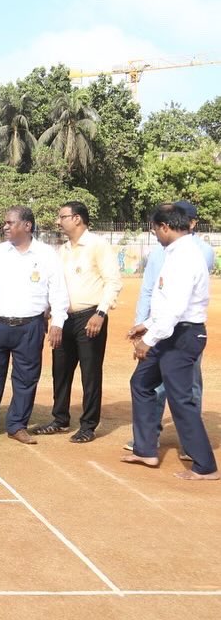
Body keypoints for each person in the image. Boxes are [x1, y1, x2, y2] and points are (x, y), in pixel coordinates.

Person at [122, 204, 217, 481]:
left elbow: (176, 309)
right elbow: (167, 305)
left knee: (180, 400)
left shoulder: (186, 256)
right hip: (169, 331)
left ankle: (205, 466)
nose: (155, 234)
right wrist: (146, 324)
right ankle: (145, 449)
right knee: (140, 383)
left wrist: (147, 341)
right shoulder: (174, 254)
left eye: (154, 229)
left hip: (182, 336)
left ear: (165, 227)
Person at [0, 207, 68, 445]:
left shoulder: (46, 254)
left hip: (30, 326)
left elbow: (58, 290)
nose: (5, 226)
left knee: (26, 378)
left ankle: (17, 425)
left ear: (27, 226)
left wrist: (58, 322)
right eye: (5, 222)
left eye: (10, 222)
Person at [31, 201, 121, 443]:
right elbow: (54, 286)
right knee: (60, 371)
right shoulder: (62, 251)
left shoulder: (97, 245)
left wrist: (100, 314)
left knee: (90, 373)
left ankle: (89, 425)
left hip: (90, 317)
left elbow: (113, 282)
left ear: (78, 219)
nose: (58, 221)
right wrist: (49, 313)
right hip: (64, 318)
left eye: (62, 217)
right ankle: (60, 419)